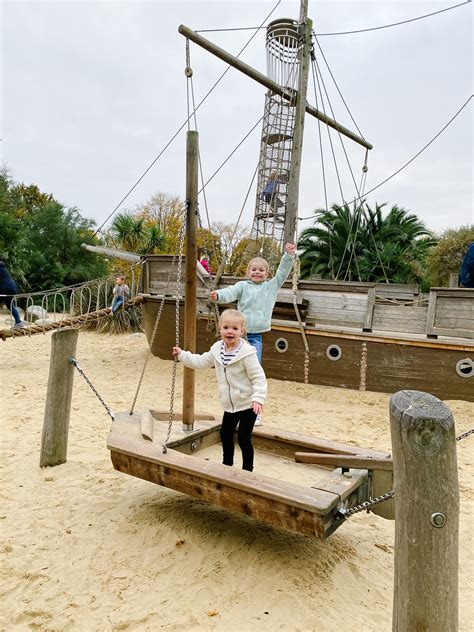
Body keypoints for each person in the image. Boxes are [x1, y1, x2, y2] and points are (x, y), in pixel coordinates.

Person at [209, 243, 296, 425]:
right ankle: (238, 408)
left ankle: (255, 411)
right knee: (237, 372)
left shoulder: (270, 287)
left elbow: (283, 273)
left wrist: (288, 255)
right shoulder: (242, 286)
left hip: (256, 336)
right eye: (254, 269)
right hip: (240, 335)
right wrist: (218, 295)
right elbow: (230, 292)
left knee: (254, 370)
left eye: (261, 270)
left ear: (267, 273)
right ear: (248, 272)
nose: (257, 272)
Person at [172, 309, 267, 472]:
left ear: (242, 331)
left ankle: (247, 470)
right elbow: (200, 361)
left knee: (244, 438)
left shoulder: (247, 354)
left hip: (247, 404)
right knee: (225, 434)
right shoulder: (217, 350)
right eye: (226, 328)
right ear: (220, 329)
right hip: (229, 404)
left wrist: (258, 398)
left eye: (235, 329)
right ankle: (227, 464)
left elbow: (258, 377)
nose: (230, 331)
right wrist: (182, 355)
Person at [0, 262, 23, 328]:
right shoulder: (3, 268)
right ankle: (18, 322)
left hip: (5, 289)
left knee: (10, 305)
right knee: (10, 305)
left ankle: (18, 322)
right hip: (13, 288)